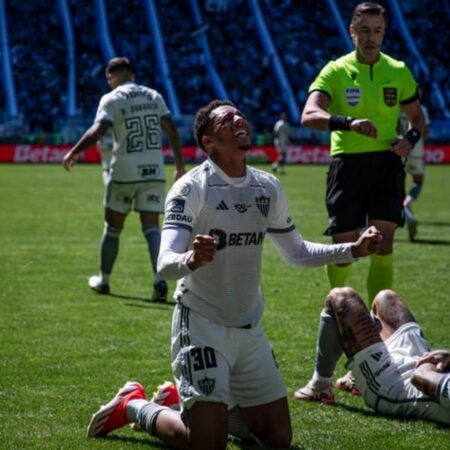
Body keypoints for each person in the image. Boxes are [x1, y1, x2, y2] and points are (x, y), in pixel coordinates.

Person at [86, 99, 383, 449]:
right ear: (209, 141)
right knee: (208, 444)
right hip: (201, 325)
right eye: (227, 119)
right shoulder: (190, 188)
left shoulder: (266, 186)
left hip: (249, 329)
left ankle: (194, 403)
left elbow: (298, 253)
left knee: (277, 439)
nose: (239, 119)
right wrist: (191, 260)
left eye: (240, 114)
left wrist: (354, 250)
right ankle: (135, 406)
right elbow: (164, 264)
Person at [300, 2, 426, 305]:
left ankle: (380, 321)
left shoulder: (397, 70)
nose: (371, 38)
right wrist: (348, 123)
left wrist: (409, 139)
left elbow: (417, 117)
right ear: (352, 32)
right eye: (365, 31)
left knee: (383, 245)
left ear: (384, 34)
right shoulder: (336, 70)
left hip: (387, 164)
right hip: (348, 165)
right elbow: (309, 114)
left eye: (378, 31)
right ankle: (337, 310)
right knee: (344, 248)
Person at [63, 57, 185, 301]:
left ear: (112, 77)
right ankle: (159, 279)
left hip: (125, 171)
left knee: (113, 228)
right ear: (133, 75)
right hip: (154, 170)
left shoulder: (112, 99)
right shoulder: (154, 96)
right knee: (152, 227)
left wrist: (75, 151)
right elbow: (171, 131)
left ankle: (104, 280)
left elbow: (98, 130)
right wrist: (180, 165)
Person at [294, 287, 450, 426]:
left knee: (341, 298)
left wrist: (433, 359)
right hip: (419, 363)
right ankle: (358, 377)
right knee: (386, 299)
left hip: (395, 386)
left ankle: (320, 385)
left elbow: (421, 377)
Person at [397, 86, 431, 241]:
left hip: (399, 147)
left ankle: (401, 211)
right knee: (417, 181)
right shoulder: (421, 108)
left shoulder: (396, 108)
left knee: (394, 184)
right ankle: (407, 203)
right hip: (415, 147)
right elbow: (425, 129)